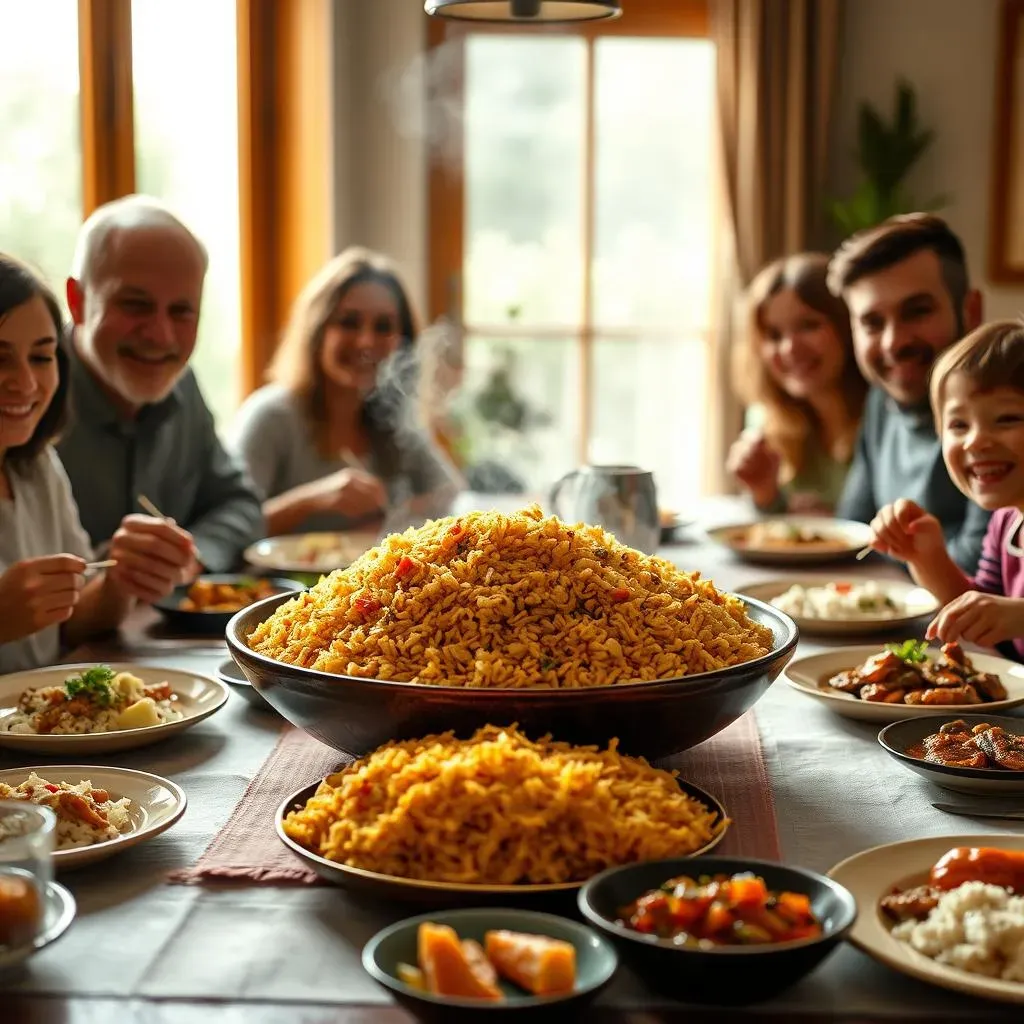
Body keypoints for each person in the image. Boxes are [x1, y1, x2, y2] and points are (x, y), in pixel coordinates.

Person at [56, 195, 264, 596]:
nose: (161, 337)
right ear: (77, 302)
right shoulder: (26, 400)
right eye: (136, 305)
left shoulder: (182, 384)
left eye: (182, 311)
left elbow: (240, 504)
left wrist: (192, 556)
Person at [0, 256, 186, 672]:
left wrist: (122, 580)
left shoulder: (37, 467)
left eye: (41, 357)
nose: (27, 383)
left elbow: (71, 625)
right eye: (1, 358)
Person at [229, 247, 463, 536]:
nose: (366, 342)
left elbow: (451, 493)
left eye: (383, 327)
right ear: (317, 332)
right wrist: (310, 501)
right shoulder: (270, 416)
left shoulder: (392, 419)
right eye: (348, 322)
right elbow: (229, 527)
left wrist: (391, 521)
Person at [827, 212, 990, 572]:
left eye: (917, 311)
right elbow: (852, 531)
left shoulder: (1001, 417)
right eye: (872, 323)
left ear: (972, 310)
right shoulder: (883, 399)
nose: (893, 342)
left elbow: (978, 575)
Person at [868, 320, 1024, 660]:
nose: (976, 440)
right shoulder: (1005, 522)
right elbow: (980, 619)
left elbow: (1008, 618)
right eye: (958, 425)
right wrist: (928, 558)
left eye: (1008, 418)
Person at [727, 253, 866, 513]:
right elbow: (780, 530)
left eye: (809, 325)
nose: (790, 348)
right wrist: (764, 494)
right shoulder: (767, 419)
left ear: (847, 326)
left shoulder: (883, 421)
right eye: (774, 334)